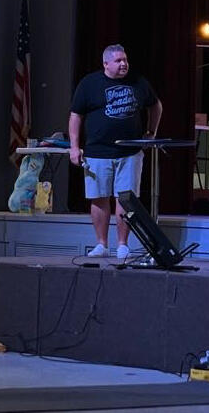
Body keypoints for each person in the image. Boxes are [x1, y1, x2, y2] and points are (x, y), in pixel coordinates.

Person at [69, 44, 163, 259]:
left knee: (126, 198)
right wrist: (74, 146)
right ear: (106, 64)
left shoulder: (138, 81)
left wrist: (151, 132)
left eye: (125, 60)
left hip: (130, 152)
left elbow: (156, 105)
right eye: (118, 61)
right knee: (98, 198)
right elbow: (75, 116)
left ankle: (123, 244)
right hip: (97, 152)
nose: (124, 64)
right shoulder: (89, 83)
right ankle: (101, 244)